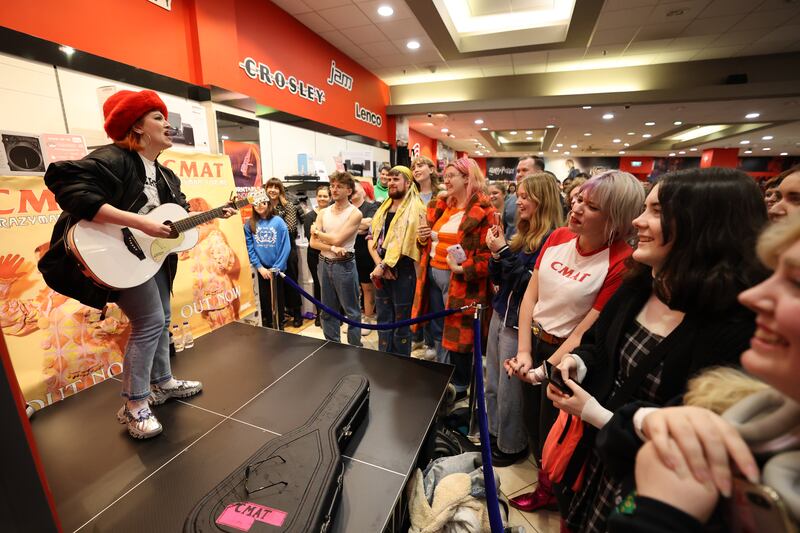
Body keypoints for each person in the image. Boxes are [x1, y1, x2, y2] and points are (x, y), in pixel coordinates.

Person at [546, 168, 769, 532]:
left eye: (656, 212)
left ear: (703, 226)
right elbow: (598, 346)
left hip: (654, 484)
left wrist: (594, 413)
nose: (637, 221)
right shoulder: (641, 284)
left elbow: (691, 431)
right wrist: (578, 364)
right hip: (604, 462)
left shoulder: (733, 327)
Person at [42, 89, 234, 439]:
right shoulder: (112, 158)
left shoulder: (166, 176)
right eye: (158, 117)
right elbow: (65, 182)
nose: (167, 124)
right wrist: (141, 223)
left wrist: (215, 214)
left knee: (160, 321)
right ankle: (134, 406)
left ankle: (162, 383)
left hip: (150, 258)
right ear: (137, 127)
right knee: (149, 323)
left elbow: (174, 220)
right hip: (119, 255)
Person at [602, 211, 800, 533]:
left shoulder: (721, 329)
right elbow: (617, 435)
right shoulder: (728, 401)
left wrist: (659, 516)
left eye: (796, 283)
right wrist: (648, 421)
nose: (753, 297)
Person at [505, 170, 645, 512]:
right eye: (579, 198)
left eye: (592, 206)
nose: (577, 207)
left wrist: (546, 368)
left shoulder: (621, 260)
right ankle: (546, 485)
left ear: (616, 218)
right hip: (534, 340)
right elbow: (530, 298)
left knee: (555, 432)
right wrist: (524, 350)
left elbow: (587, 328)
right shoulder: (557, 237)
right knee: (532, 424)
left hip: (569, 356)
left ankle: (552, 492)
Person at [485, 174, 564, 467]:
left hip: (519, 324)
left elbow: (527, 285)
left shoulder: (552, 240)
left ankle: (511, 445)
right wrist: (496, 255)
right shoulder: (520, 233)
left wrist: (503, 252)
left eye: (525, 196)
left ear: (542, 199)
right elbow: (499, 280)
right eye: (518, 195)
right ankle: (494, 433)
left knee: (510, 391)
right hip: (500, 314)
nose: (518, 201)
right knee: (493, 381)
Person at [413, 157, 494, 396]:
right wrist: (423, 237)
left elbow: (489, 257)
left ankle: (459, 385)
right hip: (433, 273)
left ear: (467, 178)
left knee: (459, 334)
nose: (445, 180)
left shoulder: (485, 211)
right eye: (445, 176)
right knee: (438, 329)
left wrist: (463, 269)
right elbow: (425, 242)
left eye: (451, 176)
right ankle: (442, 376)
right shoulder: (440, 206)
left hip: (460, 281)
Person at [368, 166, 426, 356]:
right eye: (389, 179)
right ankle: (384, 359)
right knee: (383, 319)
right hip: (380, 269)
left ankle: (401, 364)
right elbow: (371, 238)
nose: (391, 183)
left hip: (403, 270)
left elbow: (407, 242)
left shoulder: (417, 208)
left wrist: (386, 265)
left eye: (396, 179)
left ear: (408, 183)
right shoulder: (383, 208)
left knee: (401, 323)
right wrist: (380, 265)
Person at [310, 171, 363, 346]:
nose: (334, 189)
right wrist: (332, 247)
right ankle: (333, 347)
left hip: (344, 265)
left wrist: (317, 232)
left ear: (349, 190)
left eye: (339, 186)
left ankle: (355, 348)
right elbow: (313, 244)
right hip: (324, 264)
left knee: (352, 312)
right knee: (327, 309)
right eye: (332, 185)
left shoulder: (355, 213)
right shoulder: (323, 212)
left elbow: (338, 239)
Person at [245, 199, 290, 329]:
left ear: (268, 204)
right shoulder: (249, 224)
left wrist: (277, 267)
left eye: (263, 203)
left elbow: (285, 246)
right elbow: (250, 247)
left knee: (278, 298)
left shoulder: (278, 221)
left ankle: (280, 324)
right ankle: (270, 323)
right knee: (265, 299)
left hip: (277, 269)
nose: (259, 206)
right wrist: (259, 267)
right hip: (262, 269)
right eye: (256, 204)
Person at [265, 177, 303, 327]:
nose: (272, 190)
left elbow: (291, 228)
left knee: (291, 280)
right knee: (275, 285)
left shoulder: (288, 206)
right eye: (270, 187)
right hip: (269, 249)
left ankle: (297, 313)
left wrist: (270, 229)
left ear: (280, 190)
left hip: (287, 249)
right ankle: (279, 315)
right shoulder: (263, 206)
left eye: (276, 187)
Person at [352, 180, 379, 328]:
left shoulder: (371, 206)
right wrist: (359, 227)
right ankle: (355, 318)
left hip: (365, 252)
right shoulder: (346, 207)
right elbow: (362, 226)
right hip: (348, 252)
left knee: (367, 287)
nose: (354, 191)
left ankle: (368, 318)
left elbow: (370, 224)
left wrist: (348, 226)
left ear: (364, 190)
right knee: (353, 287)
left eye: (356, 188)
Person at [303, 185, 330, 326]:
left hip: (331, 256)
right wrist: (329, 241)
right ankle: (320, 314)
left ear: (330, 197)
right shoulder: (309, 216)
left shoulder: (333, 214)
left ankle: (335, 313)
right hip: (315, 256)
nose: (322, 198)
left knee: (332, 286)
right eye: (320, 196)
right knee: (319, 285)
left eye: (325, 196)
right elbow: (311, 239)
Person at [504, 156, 543, 240]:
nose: (519, 174)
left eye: (524, 170)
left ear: (539, 173)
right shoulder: (509, 200)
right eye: (518, 171)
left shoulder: (548, 199)